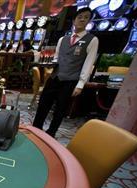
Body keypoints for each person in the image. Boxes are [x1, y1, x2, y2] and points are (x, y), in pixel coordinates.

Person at [33, 7, 98, 137]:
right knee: (43, 105)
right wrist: (50, 63)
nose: (82, 19)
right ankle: (36, 129)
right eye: (80, 17)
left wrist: (80, 84)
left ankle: (51, 133)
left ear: (89, 21)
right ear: (74, 20)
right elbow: (57, 57)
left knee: (60, 109)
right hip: (55, 77)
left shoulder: (92, 40)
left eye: (86, 17)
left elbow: (88, 64)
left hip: (70, 80)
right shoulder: (63, 39)